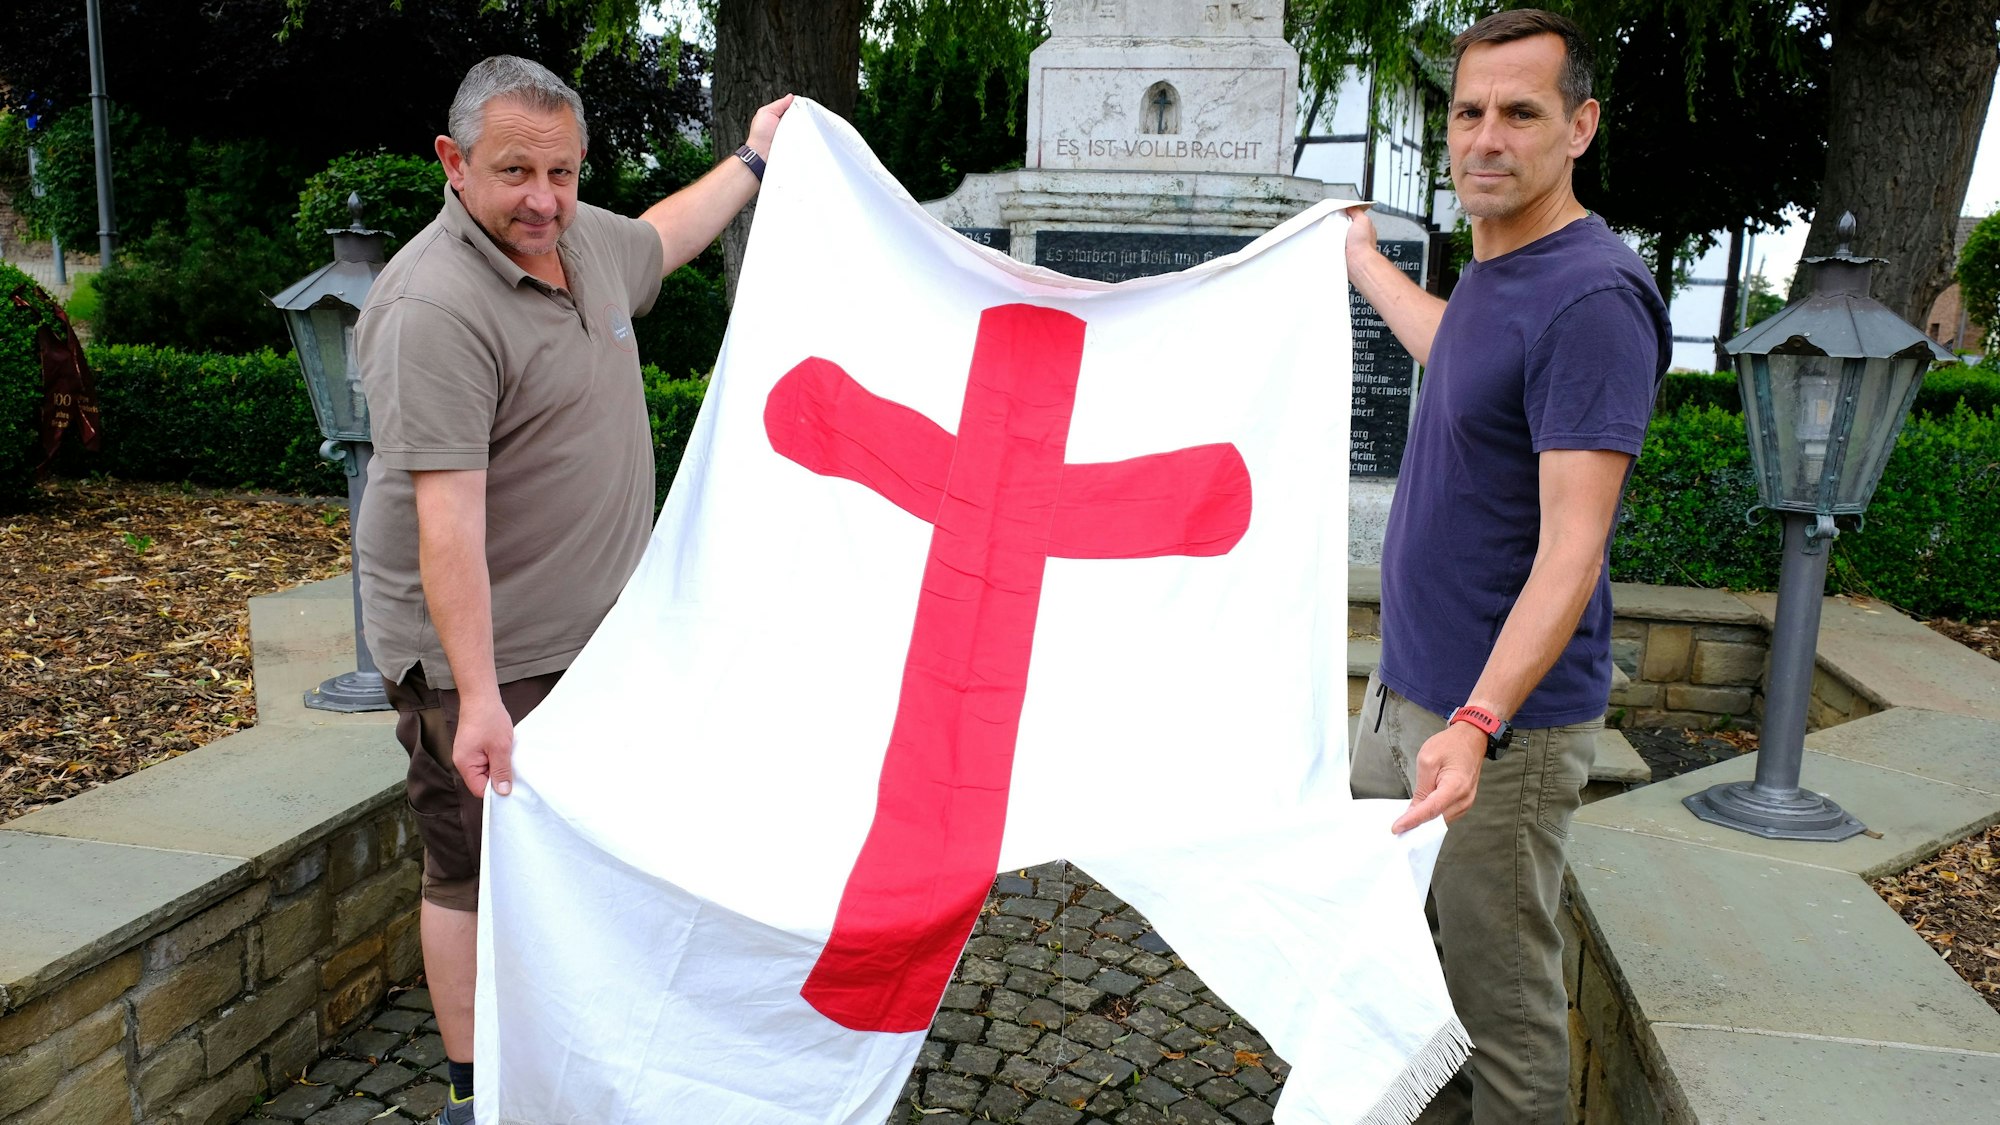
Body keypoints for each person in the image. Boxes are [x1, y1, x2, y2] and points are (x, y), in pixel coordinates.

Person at [354, 55, 792, 1125]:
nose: (543, 198)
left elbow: (668, 235)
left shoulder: (583, 242)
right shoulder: (432, 306)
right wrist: (480, 696)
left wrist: (751, 156)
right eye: (515, 172)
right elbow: (446, 523)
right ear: (454, 165)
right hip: (487, 660)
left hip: (600, 642)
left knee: (587, 868)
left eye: (562, 171)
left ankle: (588, 1056)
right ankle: (474, 1093)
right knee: (471, 873)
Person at [1343, 10, 1669, 1123]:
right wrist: (1361, 266)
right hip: (1407, 701)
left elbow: (1573, 547)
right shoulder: (1496, 267)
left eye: (1518, 112)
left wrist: (1476, 723)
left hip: (1498, 734)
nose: (1485, 137)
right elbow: (1459, 351)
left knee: (1499, 1018)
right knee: (1405, 991)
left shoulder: (1590, 297)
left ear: (1577, 127)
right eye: (1467, 110)